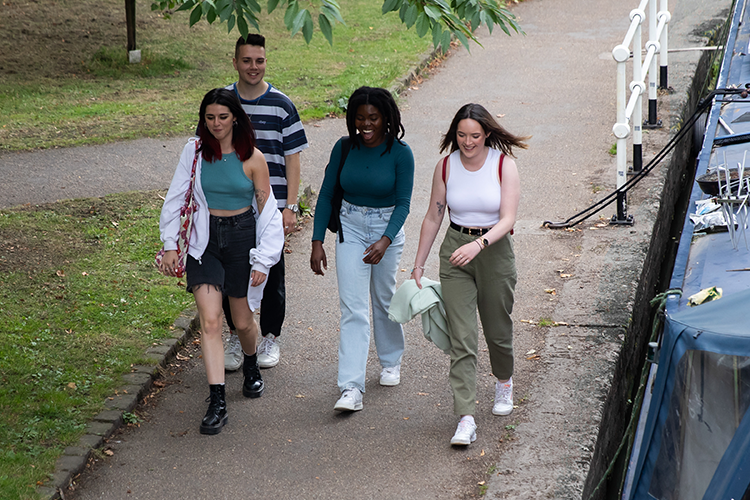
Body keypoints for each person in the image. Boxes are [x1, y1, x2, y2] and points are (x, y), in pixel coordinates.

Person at [159, 88, 284, 435]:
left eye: (223, 117)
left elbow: (269, 214)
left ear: (235, 119)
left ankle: (250, 363)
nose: (216, 124)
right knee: (211, 322)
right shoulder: (195, 152)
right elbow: (176, 195)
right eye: (210, 117)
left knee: (242, 322)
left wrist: (262, 260)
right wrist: (171, 244)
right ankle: (217, 400)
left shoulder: (253, 158)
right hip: (205, 241)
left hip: (243, 238)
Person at [410, 103, 529, 446]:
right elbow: (434, 217)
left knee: (497, 330)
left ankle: (503, 381)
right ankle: (465, 417)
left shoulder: (503, 165)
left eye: (475, 135)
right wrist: (419, 264)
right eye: (461, 135)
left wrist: (479, 246)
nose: (468, 142)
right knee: (462, 338)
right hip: (455, 251)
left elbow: (508, 218)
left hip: (493, 250)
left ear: (487, 134)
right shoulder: (445, 167)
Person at [310, 86, 414, 412]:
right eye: (360, 118)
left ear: (386, 118)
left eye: (373, 118)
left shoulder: (400, 153)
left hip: (387, 229)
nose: (366, 125)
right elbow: (326, 195)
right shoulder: (344, 148)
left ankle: (390, 360)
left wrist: (385, 240)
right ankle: (351, 388)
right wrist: (317, 241)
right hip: (351, 227)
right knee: (353, 307)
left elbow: (404, 204)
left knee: (383, 298)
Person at [222, 33, 309, 371]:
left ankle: (270, 336)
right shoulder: (224, 102)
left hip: (269, 207)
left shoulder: (282, 104)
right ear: (235, 63)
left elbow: (293, 159)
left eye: (259, 61)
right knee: (233, 270)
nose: (253, 67)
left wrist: (290, 206)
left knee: (271, 271)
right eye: (246, 61)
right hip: (229, 205)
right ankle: (236, 334)